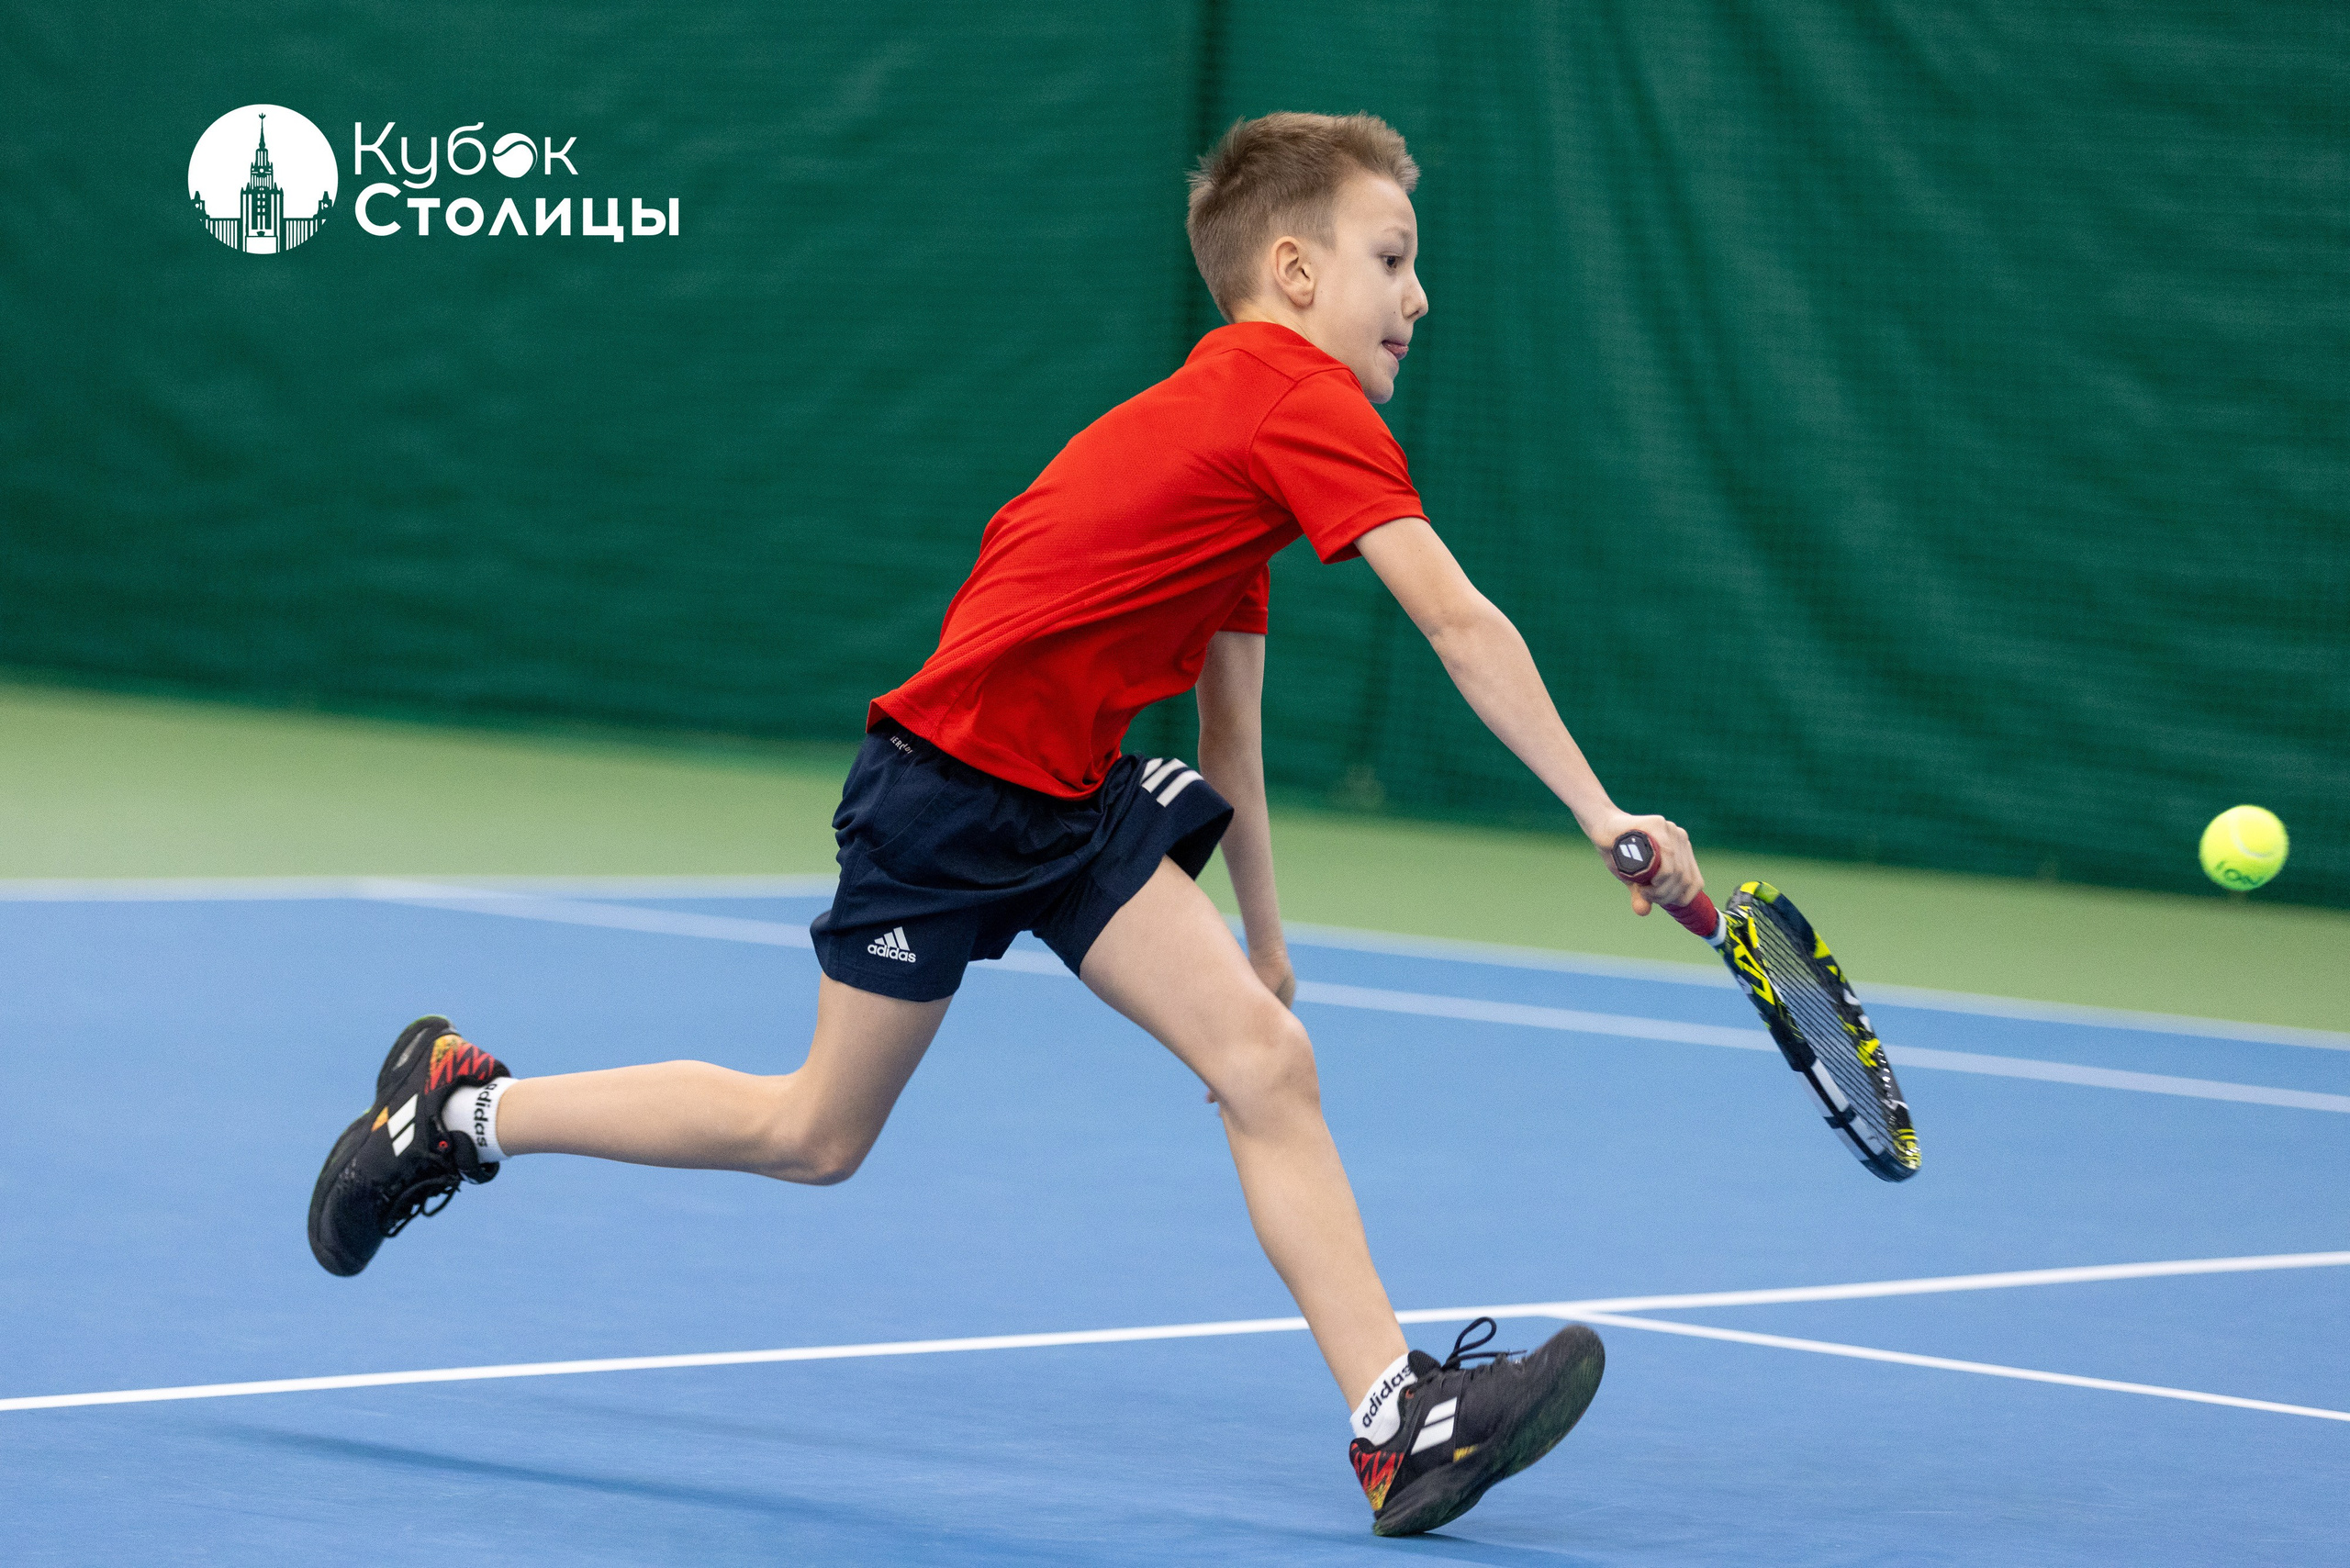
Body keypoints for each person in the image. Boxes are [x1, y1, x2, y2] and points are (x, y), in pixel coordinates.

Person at [308, 110, 1706, 1538]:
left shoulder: (1236, 456)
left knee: (1264, 1059)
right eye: (1392, 259)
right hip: (949, 790)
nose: (1420, 296)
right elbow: (1457, 621)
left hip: (1074, 798)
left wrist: (1266, 943)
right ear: (1293, 271)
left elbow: (1229, 735)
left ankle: (1396, 1423)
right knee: (814, 1132)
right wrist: (1603, 812)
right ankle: (458, 1110)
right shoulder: (1291, 400)